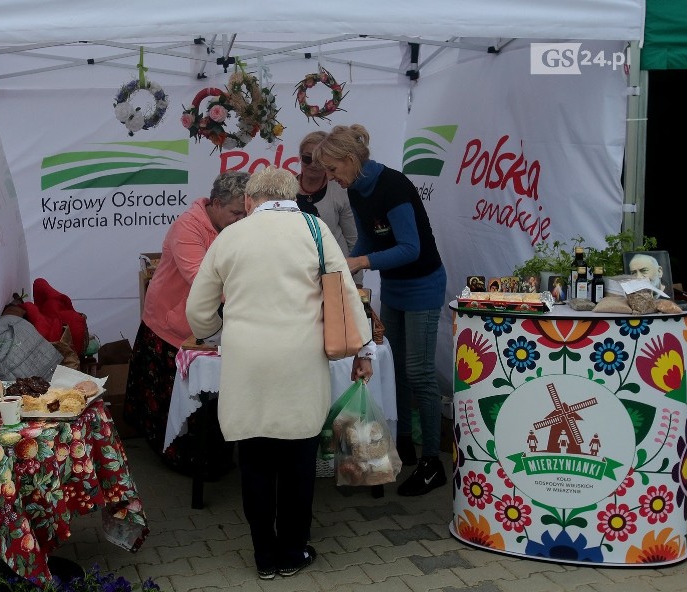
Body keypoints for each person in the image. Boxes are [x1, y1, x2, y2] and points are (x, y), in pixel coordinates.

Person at [185, 166, 375, 580]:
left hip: (247, 364)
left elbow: (198, 312)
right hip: (301, 363)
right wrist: (364, 349)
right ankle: (292, 551)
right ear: (293, 196)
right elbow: (344, 294)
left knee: (253, 461)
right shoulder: (314, 229)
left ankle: (263, 557)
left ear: (250, 200)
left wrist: (214, 332)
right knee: (298, 462)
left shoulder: (230, 236)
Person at [312, 123, 448, 497]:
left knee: (419, 372)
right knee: (398, 369)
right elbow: (371, 236)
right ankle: (403, 445)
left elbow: (410, 248)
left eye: (334, 170)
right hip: (396, 286)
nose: (331, 178)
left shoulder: (394, 186)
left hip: (423, 283)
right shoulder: (357, 188)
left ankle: (433, 464)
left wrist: (362, 262)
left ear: (350, 160)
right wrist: (350, 263)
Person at [124, 170, 250, 476]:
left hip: (207, 326)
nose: (241, 219)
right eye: (236, 212)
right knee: (171, 403)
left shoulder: (233, 228)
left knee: (207, 399)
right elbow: (201, 280)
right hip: (170, 326)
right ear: (216, 204)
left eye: (245, 213)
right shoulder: (187, 227)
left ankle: (212, 456)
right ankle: (176, 457)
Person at [295, 131, 362, 285]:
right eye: (307, 158)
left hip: (334, 275)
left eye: (318, 160)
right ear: (300, 157)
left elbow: (353, 240)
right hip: (297, 276)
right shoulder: (285, 191)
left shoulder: (341, 192)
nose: (312, 164)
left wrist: (357, 283)